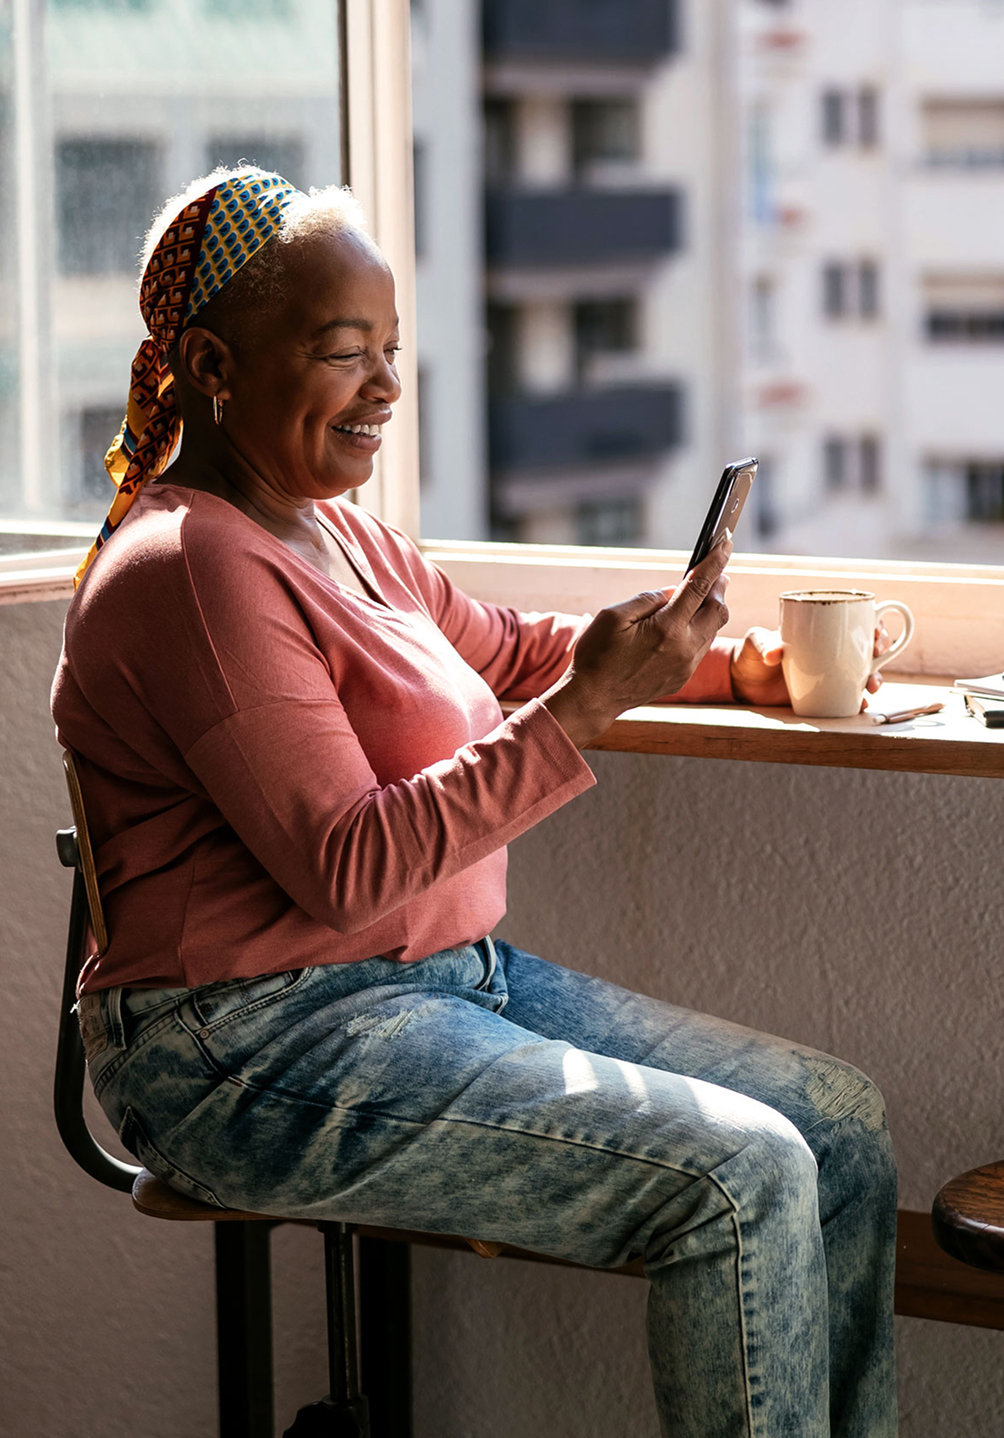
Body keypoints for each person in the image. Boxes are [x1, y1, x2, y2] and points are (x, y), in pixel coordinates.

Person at [51, 169, 897, 1437]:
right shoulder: (192, 569)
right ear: (216, 365)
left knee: (835, 1126)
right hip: (245, 1043)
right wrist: (584, 715)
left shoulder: (341, 534)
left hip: (433, 980)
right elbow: (343, 864)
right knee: (736, 1174)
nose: (387, 388)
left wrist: (730, 665)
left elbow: (502, 645)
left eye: (393, 349)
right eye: (345, 354)